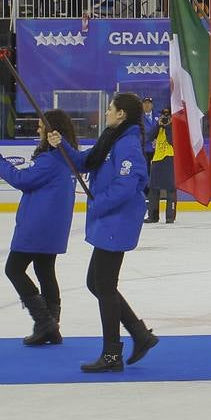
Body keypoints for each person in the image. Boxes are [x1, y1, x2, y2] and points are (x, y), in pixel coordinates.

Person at [55, 93, 157, 373]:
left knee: (104, 285)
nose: (107, 112)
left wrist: (99, 202)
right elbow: (84, 161)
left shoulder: (127, 144)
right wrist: (60, 144)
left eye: (110, 108)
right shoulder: (110, 139)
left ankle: (113, 353)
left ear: (121, 114)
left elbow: (129, 184)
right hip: (109, 220)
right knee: (97, 283)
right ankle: (139, 334)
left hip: (118, 221)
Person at [0, 110, 79, 346]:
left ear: (53, 131)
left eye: (41, 126)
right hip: (54, 226)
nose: (38, 130)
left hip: (38, 226)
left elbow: (22, 180)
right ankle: (51, 325)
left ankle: (45, 322)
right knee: (45, 271)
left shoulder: (51, 159)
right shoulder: (65, 157)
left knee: (14, 269)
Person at [145, 108, 176, 225]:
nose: (165, 118)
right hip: (157, 158)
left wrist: (168, 126)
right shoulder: (158, 126)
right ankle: (153, 216)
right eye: (163, 115)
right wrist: (159, 125)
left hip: (169, 157)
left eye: (167, 116)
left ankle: (170, 216)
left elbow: (172, 141)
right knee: (153, 188)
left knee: (170, 188)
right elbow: (149, 137)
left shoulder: (174, 127)